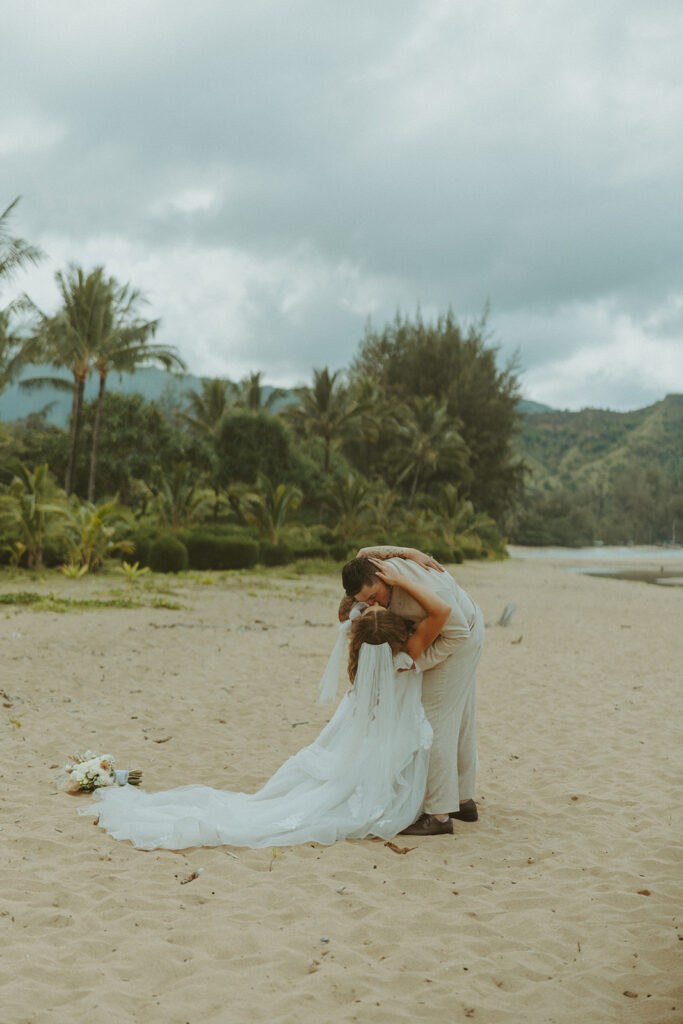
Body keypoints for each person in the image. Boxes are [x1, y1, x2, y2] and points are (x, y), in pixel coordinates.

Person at [79, 570, 450, 851]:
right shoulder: (406, 657)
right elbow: (442, 609)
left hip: (364, 746)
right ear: (397, 633)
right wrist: (403, 578)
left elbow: (353, 619)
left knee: (284, 800)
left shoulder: (362, 673)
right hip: (389, 750)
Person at [341, 545, 485, 837]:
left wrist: (417, 663)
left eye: (373, 597)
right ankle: (462, 800)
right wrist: (409, 552)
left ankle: (440, 814)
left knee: (436, 721)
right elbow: (364, 549)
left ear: (383, 578)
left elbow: (457, 634)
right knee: (458, 715)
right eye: (364, 601)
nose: (373, 605)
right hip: (460, 620)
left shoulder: (424, 596)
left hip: (461, 636)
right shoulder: (369, 566)